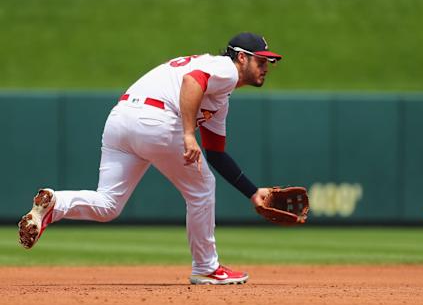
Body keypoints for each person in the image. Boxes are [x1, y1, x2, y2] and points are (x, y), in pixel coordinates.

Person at [18, 32, 282, 285]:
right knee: (202, 189)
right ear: (242, 58)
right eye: (261, 60)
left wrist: (252, 192)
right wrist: (189, 135)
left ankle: (56, 203)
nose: (266, 66)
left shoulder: (221, 97)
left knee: (109, 205)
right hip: (155, 119)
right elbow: (192, 81)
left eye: (268, 61)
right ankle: (206, 268)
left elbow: (216, 152)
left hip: (121, 119)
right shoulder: (225, 68)